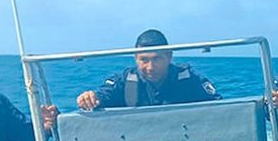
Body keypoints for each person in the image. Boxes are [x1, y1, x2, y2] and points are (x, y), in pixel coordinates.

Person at [76, 29, 220, 109]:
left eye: (157, 59)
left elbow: (219, 106)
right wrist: (90, 98)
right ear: (135, 58)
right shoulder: (124, 81)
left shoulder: (189, 78)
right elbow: (103, 96)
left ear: (169, 56)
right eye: (144, 60)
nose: (150, 67)